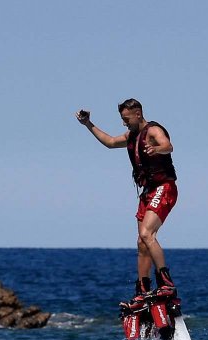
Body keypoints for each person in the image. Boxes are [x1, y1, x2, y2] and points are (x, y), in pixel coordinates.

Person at [75, 99, 178, 307]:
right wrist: (88, 124)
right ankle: (143, 290)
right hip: (148, 192)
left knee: (147, 234)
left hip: (164, 188)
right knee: (141, 243)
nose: (124, 123)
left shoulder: (153, 130)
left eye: (126, 119)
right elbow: (111, 142)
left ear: (138, 113)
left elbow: (168, 145)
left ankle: (166, 283)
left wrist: (157, 149)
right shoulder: (132, 136)